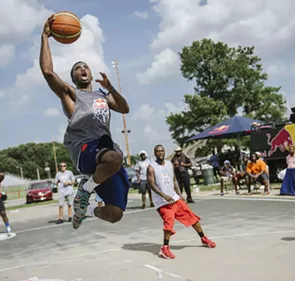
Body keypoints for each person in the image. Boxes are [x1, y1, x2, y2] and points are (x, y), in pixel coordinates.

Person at [40, 15, 130, 229]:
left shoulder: (102, 96)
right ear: (72, 77)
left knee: (115, 213)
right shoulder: (71, 95)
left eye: (85, 66)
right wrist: (45, 37)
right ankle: (86, 190)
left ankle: (84, 208)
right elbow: (47, 72)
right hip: (84, 147)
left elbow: (125, 108)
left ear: (90, 74)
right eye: (78, 68)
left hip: (105, 149)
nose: (83, 69)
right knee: (114, 157)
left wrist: (111, 89)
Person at [147, 145, 216, 259]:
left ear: (164, 152)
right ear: (155, 153)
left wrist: (179, 194)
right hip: (162, 202)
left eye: (162, 151)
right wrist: (164, 195)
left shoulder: (169, 164)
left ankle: (203, 238)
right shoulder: (151, 167)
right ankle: (165, 248)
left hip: (174, 198)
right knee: (169, 221)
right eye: (158, 151)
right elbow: (151, 184)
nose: (160, 153)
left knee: (191, 216)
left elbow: (174, 180)